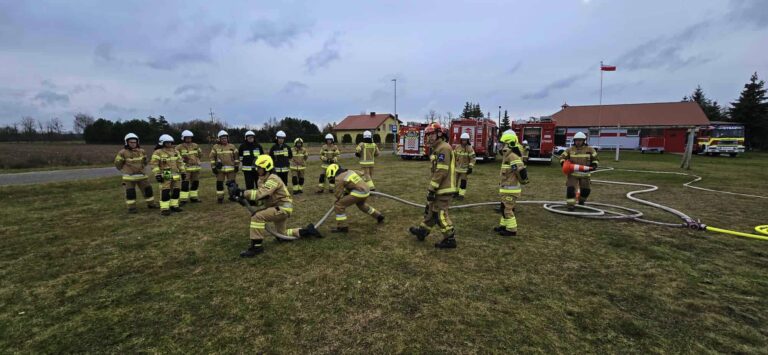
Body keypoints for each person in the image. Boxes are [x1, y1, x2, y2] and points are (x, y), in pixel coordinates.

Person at [228, 155, 321, 257]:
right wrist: (243, 200)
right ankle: (306, 231)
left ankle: (256, 247)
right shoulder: (261, 180)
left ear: (266, 167)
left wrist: (242, 193)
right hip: (276, 207)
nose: (257, 169)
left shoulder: (273, 178)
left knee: (257, 217)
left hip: (283, 208)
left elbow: (261, 193)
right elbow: (262, 199)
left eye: (259, 167)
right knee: (282, 235)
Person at [408, 122, 458, 249]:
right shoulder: (438, 148)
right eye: (427, 135)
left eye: (431, 134)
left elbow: (441, 171)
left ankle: (450, 238)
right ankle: (423, 231)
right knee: (431, 212)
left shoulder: (444, 148)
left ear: (439, 134)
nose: (428, 137)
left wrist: (432, 188)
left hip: (443, 188)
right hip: (439, 188)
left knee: (440, 214)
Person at [324, 163, 385, 233]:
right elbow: (361, 173)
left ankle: (342, 227)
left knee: (339, 205)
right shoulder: (350, 171)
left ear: (332, 172)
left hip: (358, 192)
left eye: (331, 178)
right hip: (366, 190)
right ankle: (378, 216)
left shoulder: (339, 178)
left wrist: (342, 196)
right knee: (361, 205)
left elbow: (338, 194)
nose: (332, 180)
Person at [494, 130, 529, 236]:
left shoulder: (512, 156)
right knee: (503, 208)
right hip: (506, 188)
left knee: (508, 209)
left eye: (503, 144)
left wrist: (524, 181)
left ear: (509, 143)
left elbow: (520, 171)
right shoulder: (507, 156)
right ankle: (503, 225)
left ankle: (511, 229)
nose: (501, 146)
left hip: (511, 189)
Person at [114, 133, 157, 212]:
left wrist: (143, 168)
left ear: (137, 142)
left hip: (142, 176)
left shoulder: (142, 151)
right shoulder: (122, 152)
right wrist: (125, 170)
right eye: (131, 142)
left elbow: (145, 161)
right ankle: (132, 208)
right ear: (127, 142)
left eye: (135, 142)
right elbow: (118, 164)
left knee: (148, 190)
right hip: (129, 177)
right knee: (130, 193)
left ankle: (151, 204)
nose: (133, 144)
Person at [559, 131, 599, 211]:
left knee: (586, 191)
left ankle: (581, 201)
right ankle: (570, 205)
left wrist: (594, 165)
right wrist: (564, 163)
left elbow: (595, 159)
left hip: (585, 174)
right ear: (574, 140)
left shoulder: (590, 150)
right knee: (570, 190)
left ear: (584, 141)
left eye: (580, 140)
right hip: (572, 174)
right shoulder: (570, 150)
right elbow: (562, 157)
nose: (578, 142)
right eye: (576, 140)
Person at [151, 134, 185, 216]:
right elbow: (154, 164)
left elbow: (180, 162)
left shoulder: (175, 152)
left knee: (176, 190)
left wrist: (183, 171)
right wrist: (157, 174)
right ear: (162, 143)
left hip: (175, 173)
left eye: (170, 142)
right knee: (165, 191)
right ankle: (165, 208)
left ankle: (174, 205)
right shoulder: (158, 152)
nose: (169, 144)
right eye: (167, 143)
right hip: (166, 173)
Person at [209, 130, 239, 203]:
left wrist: (237, 166)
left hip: (231, 169)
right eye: (222, 138)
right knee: (219, 184)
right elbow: (212, 157)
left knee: (232, 184)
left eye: (225, 138)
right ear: (219, 139)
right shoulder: (215, 147)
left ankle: (233, 196)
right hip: (220, 170)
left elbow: (236, 157)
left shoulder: (232, 146)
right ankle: (220, 198)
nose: (224, 140)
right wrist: (213, 167)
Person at [178, 130, 203, 203]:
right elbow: (176, 157)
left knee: (195, 183)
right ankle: (183, 199)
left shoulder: (195, 145)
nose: (189, 139)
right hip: (186, 169)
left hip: (196, 168)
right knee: (185, 184)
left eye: (190, 138)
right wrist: (183, 160)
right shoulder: (179, 147)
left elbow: (200, 154)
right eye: (187, 138)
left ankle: (194, 197)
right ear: (183, 138)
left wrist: (197, 160)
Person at [239, 130, 264, 199]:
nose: (251, 138)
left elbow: (262, 157)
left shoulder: (258, 146)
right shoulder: (242, 147)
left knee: (259, 184)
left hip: (257, 170)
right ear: (246, 138)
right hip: (247, 171)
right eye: (249, 137)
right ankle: (250, 198)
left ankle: (260, 197)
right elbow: (240, 158)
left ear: (254, 138)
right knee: (249, 185)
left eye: (252, 137)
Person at [453, 132, 476, 200]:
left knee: (463, 183)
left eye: (465, 140)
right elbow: (454, 156)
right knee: (454, 182)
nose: (464, 141)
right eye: (463, 140)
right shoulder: (457, 147)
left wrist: (470, 167)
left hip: (464, 169)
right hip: (456, 168)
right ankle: (455, 192)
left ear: (468, 140)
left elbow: (473, 158)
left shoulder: (470, 148)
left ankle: (461, 195)